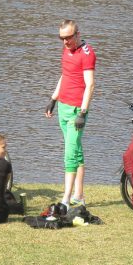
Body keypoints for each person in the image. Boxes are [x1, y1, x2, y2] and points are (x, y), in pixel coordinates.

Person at [44, 19, 96, 207]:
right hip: (63, 107)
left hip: (76, 110)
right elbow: (66, 75)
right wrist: (53, 99)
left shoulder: (86, 53)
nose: (65, 42)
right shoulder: (66, 50)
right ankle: (79, 195)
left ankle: (66, 198)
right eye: (62, 38)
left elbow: (90, 85)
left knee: (69, 154)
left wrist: (82, 112)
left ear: (77, 34)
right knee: (76, 151)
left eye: (69, 38)